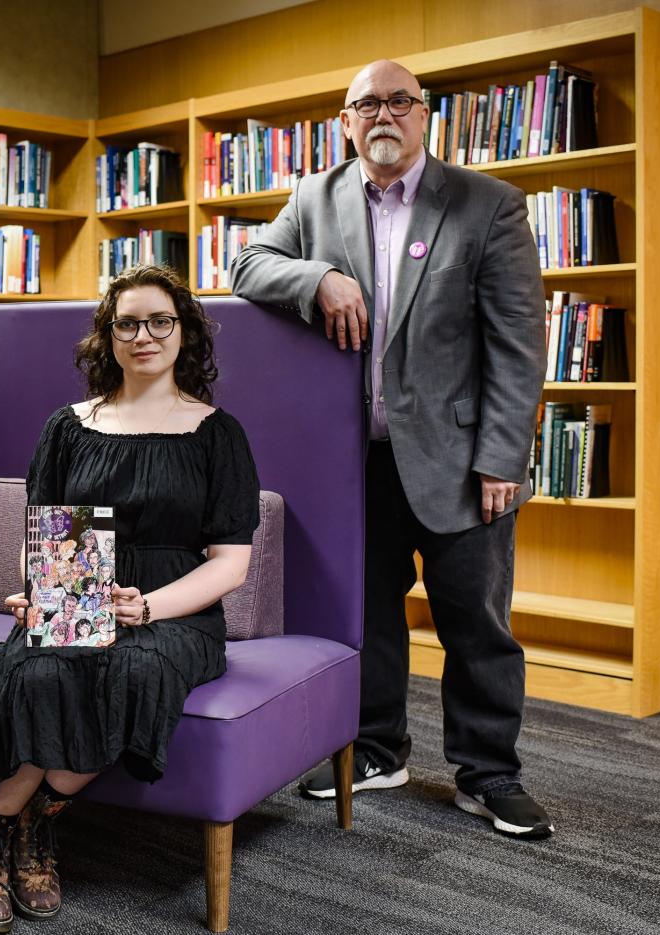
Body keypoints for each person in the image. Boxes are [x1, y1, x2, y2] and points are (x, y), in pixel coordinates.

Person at [230, 60, 551, 839]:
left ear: (424, 114)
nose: (384, 114)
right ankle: (376, 748)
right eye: (366, 103)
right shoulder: (315, 196)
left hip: (463, 461)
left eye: (399, 101)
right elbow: (245, 265)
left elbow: (518, 345)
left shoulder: (488, 205)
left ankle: (488, 772)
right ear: (345, 121)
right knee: (366, 616)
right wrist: (317, 282)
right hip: (355, 466)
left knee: (474, 623)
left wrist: (503, 457)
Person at [0, 264, 260, 933]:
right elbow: (54, 539)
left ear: (185, 333)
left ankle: (28, 822)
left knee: (132, 668)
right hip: (76, 593)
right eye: (127, 323)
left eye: (160, 321)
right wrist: (37, 596)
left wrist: (146, 606)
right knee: (38, 669)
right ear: (107, 336)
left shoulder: (216, 432)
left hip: (173, 611)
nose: (143, 335)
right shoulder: (69, 425)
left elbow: (231, 564)